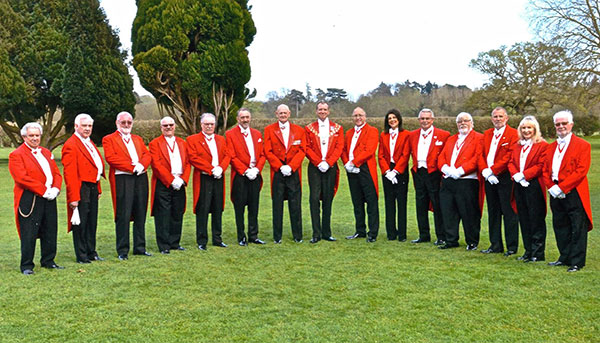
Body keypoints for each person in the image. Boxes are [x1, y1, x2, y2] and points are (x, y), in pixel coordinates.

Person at [9, 122, 64, 274]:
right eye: (31, 136)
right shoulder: (16, 155)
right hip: (30, 197)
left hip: (49, 196)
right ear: (24, 137)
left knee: (50, 229)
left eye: (37, 135)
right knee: (29, 232)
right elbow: (21, 178)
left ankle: (48, 260)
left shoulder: (46, 152)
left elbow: (56, 173)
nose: (34, 138)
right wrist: (43, 190)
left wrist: (56, 188)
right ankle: (27, 265)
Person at [543, 110, 593, 272]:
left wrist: (563, 187)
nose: (561, 126)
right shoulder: (550, 147)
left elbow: (581, 170)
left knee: (577, 226)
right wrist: (552, 187)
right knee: (560, 224)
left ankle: (577, 261)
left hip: (574, 192)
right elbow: (545, 170)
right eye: (558, 124)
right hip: (555, 191)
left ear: (571, 125)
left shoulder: (583, 145)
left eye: (564, 123)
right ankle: (564, 257)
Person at [102, 111, 153, 260]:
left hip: (140, 177)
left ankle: (140, 247)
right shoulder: (109, 139)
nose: (126, 125)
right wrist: (131, 167)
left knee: (140, 212)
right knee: (123, 214)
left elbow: (147, 154)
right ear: (117, 123)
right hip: (123, 178)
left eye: (129, 122)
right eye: (123, 122)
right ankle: (122, 250)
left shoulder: (137, 138)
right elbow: (111, 158)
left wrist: (141, 165)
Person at [62, 113, 105, 264]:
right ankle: (82, 255)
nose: (87, 129)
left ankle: (91, 252)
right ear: (76, 126)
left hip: (92, 186)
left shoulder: (89, 142)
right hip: (81, 188)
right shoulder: (71, 145)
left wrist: (98, 188)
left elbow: (96, 167)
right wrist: (73, 197)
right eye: (84, 126)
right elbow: (70, 174)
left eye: (89, 126)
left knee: (92, 221)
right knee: (81, 222)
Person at [437, 112, 483, 250]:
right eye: (459, 121)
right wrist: (445, 168)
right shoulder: (451, 139)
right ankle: (451, 240)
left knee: (469, 212)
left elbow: (477, 158)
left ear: (472, 123)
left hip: (466, 180)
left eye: (466, 121)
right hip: (449, 179)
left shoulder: (479, 138)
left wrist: (461, 171)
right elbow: (442, 157)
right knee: (448, 211)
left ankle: (472, 241)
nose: (463, 123)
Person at [479, 107, 520, 256]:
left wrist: (494, 170)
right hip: (489, 178)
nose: (498, 119)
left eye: (500, 116)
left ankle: (511, 246)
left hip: (504, 178)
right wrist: (485, 171)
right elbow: (481, 153)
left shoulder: (513, 134)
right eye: (495, 116)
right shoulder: (487, 134)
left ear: (506, 118)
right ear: (491, 119)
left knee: (509, 212)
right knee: (493, 212)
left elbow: (510, 155)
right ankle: (495, 244)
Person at [187, 113, 231, 250]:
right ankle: (202, 240)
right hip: (203, 178)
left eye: (212, 124)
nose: (209, 126)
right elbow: (193, 158)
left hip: (218, 177)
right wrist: (211, 169)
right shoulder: (192, 139)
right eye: (206, 124)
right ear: (201, 125)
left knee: (218, 208)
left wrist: (221, 168)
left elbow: (227, 155)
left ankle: (217, 238)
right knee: (203, 208)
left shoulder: (221, 139)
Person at [507, 116, 548, 262]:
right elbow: (511, 162)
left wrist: (525, 175)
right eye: (523, 128)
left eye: (529, 128)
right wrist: (516, 176)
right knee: (523, 218)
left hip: (534, 185)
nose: (526, 130)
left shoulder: (542, 145)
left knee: (535, 219)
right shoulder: (517, 145)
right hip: (519, 184)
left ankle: (538, 252)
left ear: (535, 129)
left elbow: (540, 165)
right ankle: (528, 250)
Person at [264, 104, 306, 243]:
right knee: (277, 205)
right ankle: (277, 237)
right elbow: (267, 151)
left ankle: (297, 236)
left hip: (293, 172)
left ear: (289, 114)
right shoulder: (269, 130)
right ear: (276, 114)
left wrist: (291, 166)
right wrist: (279, 166)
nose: (283, 115)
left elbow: (302, 150)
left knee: (295, 204)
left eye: (285, 113)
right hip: (278, 172)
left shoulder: (299, 130)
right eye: (280, 113)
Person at [407, 108, 450, 245]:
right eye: (422, 119)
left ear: (432, 120)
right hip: (419, 172)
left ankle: (441, 235)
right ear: (419, 120)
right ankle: (423, 234)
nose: (425, 121)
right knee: (420, 204)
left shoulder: (443, 135)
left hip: (434, 173)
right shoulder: (412, 135)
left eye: (427, 118)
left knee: (437, 204)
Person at [148, 116, 191, 254]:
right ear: (161, 128)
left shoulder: (182, 142)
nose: (168, 127)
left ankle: (174, 242)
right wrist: (171, 179)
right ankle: (164, 245)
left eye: (171, 125)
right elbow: (156, 164)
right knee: (163, 214)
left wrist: (183, 179)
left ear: (175, 126)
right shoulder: (155, 143)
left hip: (180, 182)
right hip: (164, 183)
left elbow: (188, 163)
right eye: (165, 125)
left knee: (177, 212)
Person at [304, 101, 344, 243]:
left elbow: (339, 148)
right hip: (315, 168)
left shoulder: (337, 128)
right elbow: (306, 148)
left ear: (329, 111)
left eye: (324, 109)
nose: (322, 111)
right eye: (320, 109)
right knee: (314, 199)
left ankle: (327, 232)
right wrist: (318, 162)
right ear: (316, 111)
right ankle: (316, 233)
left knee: (328, 198)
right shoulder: (309, 128)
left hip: (330, 167)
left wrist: (328, 162)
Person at [226, 108, 267, 246]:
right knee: (240, 207)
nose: (245, 120)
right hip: (240, 176)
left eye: (247, 117)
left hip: (255, 174)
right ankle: (241, 236)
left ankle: (253, 235)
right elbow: (232, 156)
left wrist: (256, 169)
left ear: (250, 118)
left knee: (254, 206)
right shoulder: (230, 134)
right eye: (242, 117)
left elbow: (262, 154)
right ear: (238, 119)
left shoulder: (256, 133)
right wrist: (244, 170)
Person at [342, 107, 380, 242]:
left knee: (371, 202)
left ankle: (373, 232)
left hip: (365, 169)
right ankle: (360, 230)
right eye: (355, 115)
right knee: (357, 202)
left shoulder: (372, 131)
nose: (358, 118)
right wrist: (347, 163)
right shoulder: (349, 132)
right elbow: (344, 149)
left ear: (365, 117)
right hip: (351, 170)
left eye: (360, 115)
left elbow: (369, 150)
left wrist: (354, 162)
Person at [378, 109, 410, 241]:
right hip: (387, 171)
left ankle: (402, 234)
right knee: (389, 202)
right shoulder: (383, 135)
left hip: (400, 171)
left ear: (399, 119)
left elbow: (405, 155)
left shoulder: (406, 134)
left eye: (394, 117)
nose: (392, 120)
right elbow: (380, 155)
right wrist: (387, 172)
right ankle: (391, 233)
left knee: (401, 203)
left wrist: (396, 171)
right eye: (389, 118)